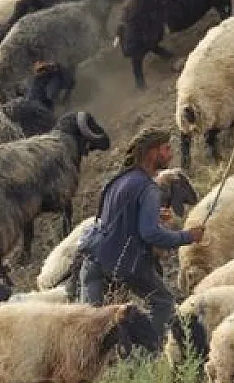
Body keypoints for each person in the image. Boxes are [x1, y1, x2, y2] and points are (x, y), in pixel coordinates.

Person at [77, 127, 203, 332]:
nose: (171, 153)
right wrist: (187, 236)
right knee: (163, 303)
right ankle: (149, 353)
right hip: (122, 262)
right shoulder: (148, 188)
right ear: (152, 153)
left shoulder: (120, 178)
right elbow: (150, 233)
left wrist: (151, 214)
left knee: (91, 327)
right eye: (166, 148)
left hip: (93, 260)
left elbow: (116, 218)